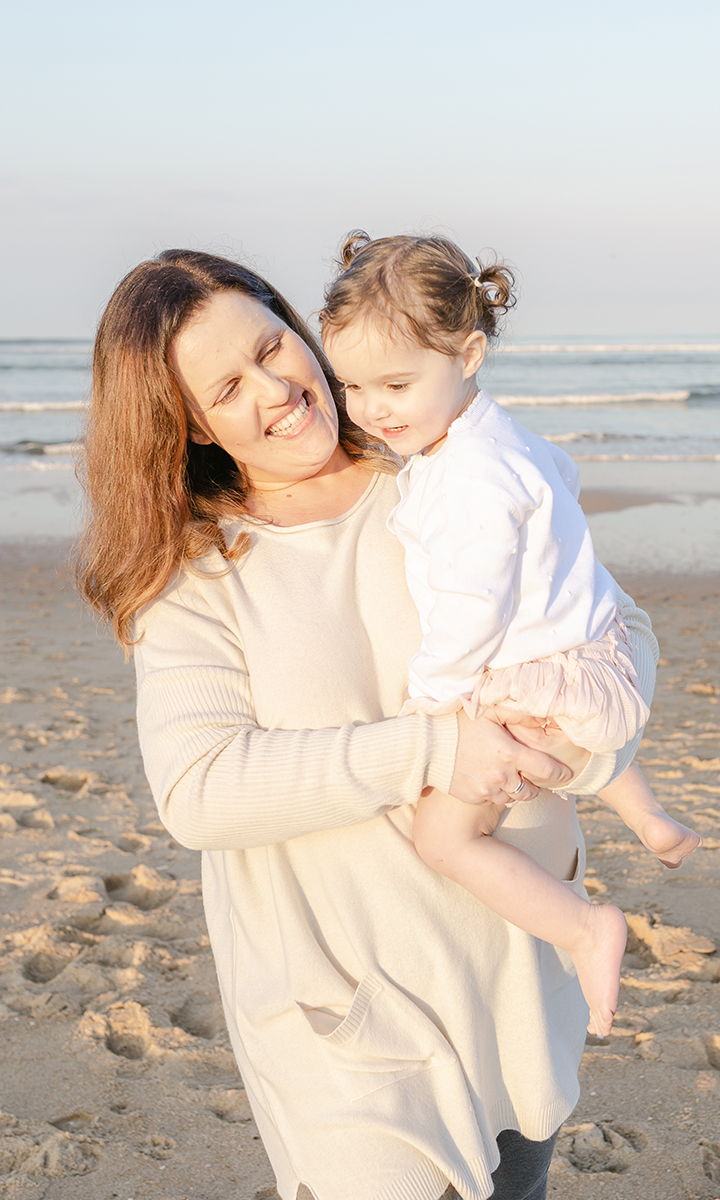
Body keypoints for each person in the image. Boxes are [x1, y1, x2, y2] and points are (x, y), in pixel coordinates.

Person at [78, 248, 657, 1200]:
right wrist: (439, 748)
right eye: (228, 386)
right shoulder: (194, 577)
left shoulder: (438, 471)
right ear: (185, 421)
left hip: (511, 976)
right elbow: (201, 791)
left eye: (273, 347)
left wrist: (586, 750)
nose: (277, 389)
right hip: (350, 1026)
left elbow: (617, 638)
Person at [321, 232, 701, 1039]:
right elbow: (560, 473)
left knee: (444, 835)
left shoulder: (466, 481)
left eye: (395, 383)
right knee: (582, 736)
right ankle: (648, 816)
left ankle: (581, 927)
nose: (371, 408)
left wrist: (430, 704)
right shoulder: (492, 438)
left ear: (470, 352)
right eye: (351, 385)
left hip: (550, 677)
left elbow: (470, 607)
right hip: (593, 654)